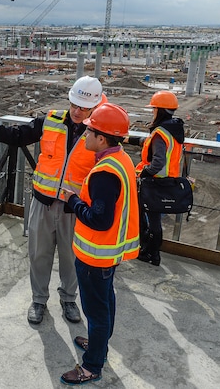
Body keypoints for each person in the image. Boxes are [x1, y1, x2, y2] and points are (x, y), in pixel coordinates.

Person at [0, 75, 104, 325]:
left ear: (94, 107)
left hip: (74, 208)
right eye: (75, 105)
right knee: (38, 254)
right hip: (42, 203)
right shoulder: (50, 121)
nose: (77, 111)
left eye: (84, 108)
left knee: (71, 257)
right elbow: (18, 135)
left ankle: (68, 299)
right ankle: (39, 300)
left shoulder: (97, 135)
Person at [60, 103, 140, 385]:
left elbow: (100, 220)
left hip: (96, 256)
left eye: (90, 130)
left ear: (102, 138)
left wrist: (73, 201)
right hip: (108, 254)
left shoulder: (105, 174)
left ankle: (92, 366)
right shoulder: (121, 159)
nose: (84, 134)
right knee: (105, 302)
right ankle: (98, 345)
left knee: (96, 310)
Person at [123, 90, 185, 266]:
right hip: (167, 180)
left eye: (154, 109)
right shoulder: (172, 130)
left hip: (155, 182)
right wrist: (129, 140)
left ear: (160, 110)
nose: (153, 112)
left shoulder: (160, 133)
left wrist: (143, 173)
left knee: (152, 220)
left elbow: (157, 161)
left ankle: (150, 253)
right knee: (153, 218)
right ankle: (150, 252)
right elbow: (150, 144)